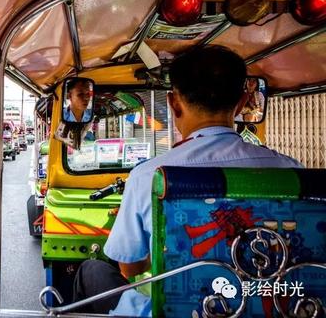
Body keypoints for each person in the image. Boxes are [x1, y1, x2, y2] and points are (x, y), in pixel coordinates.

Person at [73, 45, 301, 316]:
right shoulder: (291, 170)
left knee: (92, 270)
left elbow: (129, 267)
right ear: (241, 103)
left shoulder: (149, 176)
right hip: (275, 308)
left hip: (169, 312)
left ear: (173, 103)